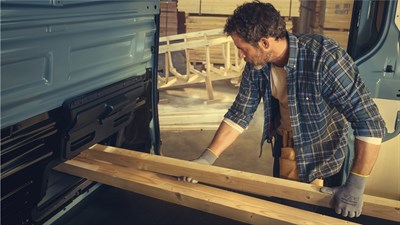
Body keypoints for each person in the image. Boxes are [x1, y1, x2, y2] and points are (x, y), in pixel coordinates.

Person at [181, 0, 386, 219]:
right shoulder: (257, 66)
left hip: (322, 158)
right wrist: (207, 159)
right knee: (284, 212)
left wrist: (356, 183)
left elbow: (369, 122)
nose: (241, 55)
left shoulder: (324, 58)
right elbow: (240, 113)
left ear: (264, 43)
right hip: (285, 149)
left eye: (242, 48)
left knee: (311, 218)